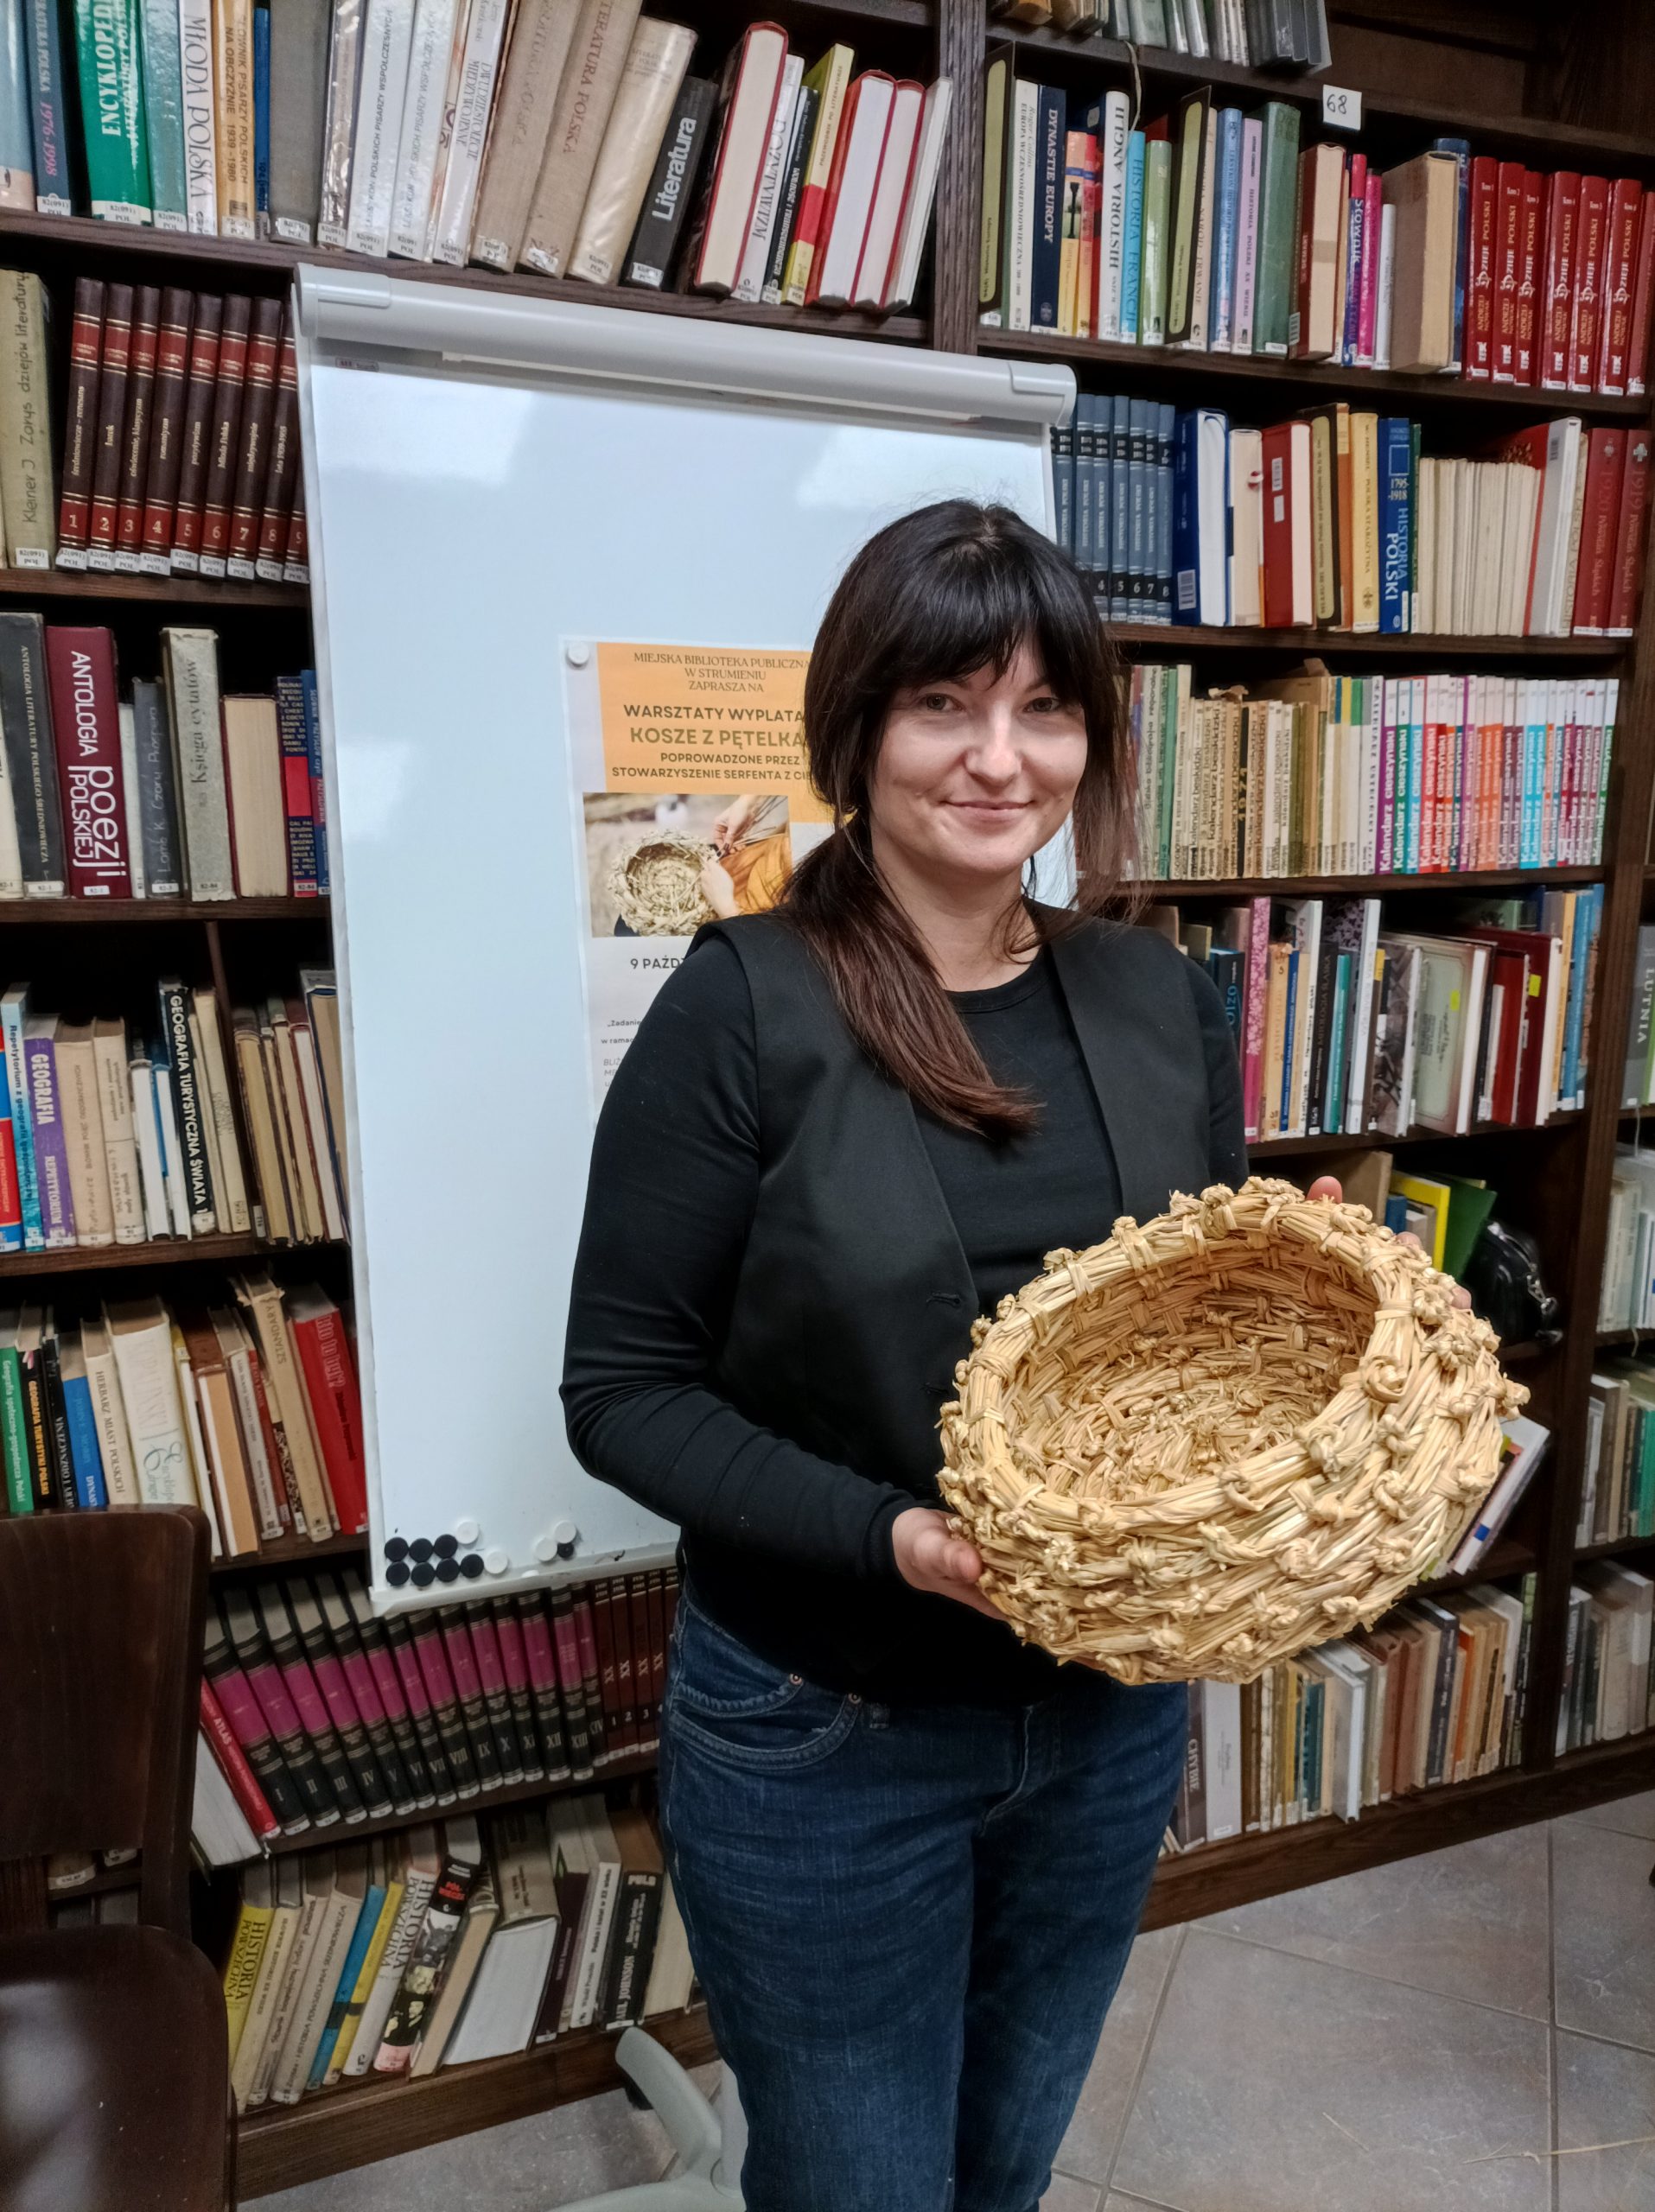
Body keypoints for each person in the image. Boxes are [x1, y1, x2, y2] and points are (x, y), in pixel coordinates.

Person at [563, 503, 1310, 2211]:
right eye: (944, 704)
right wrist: (897, 1536)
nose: (999, 757)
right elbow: (621, 1393)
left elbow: (1189, 1343)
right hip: (828, 1728)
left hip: (1107, 1719)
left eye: (1044, 708)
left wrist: (1310, 1322)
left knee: (1003, 2171)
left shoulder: (1159, 999)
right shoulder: (741, 1003)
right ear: (858, 724)